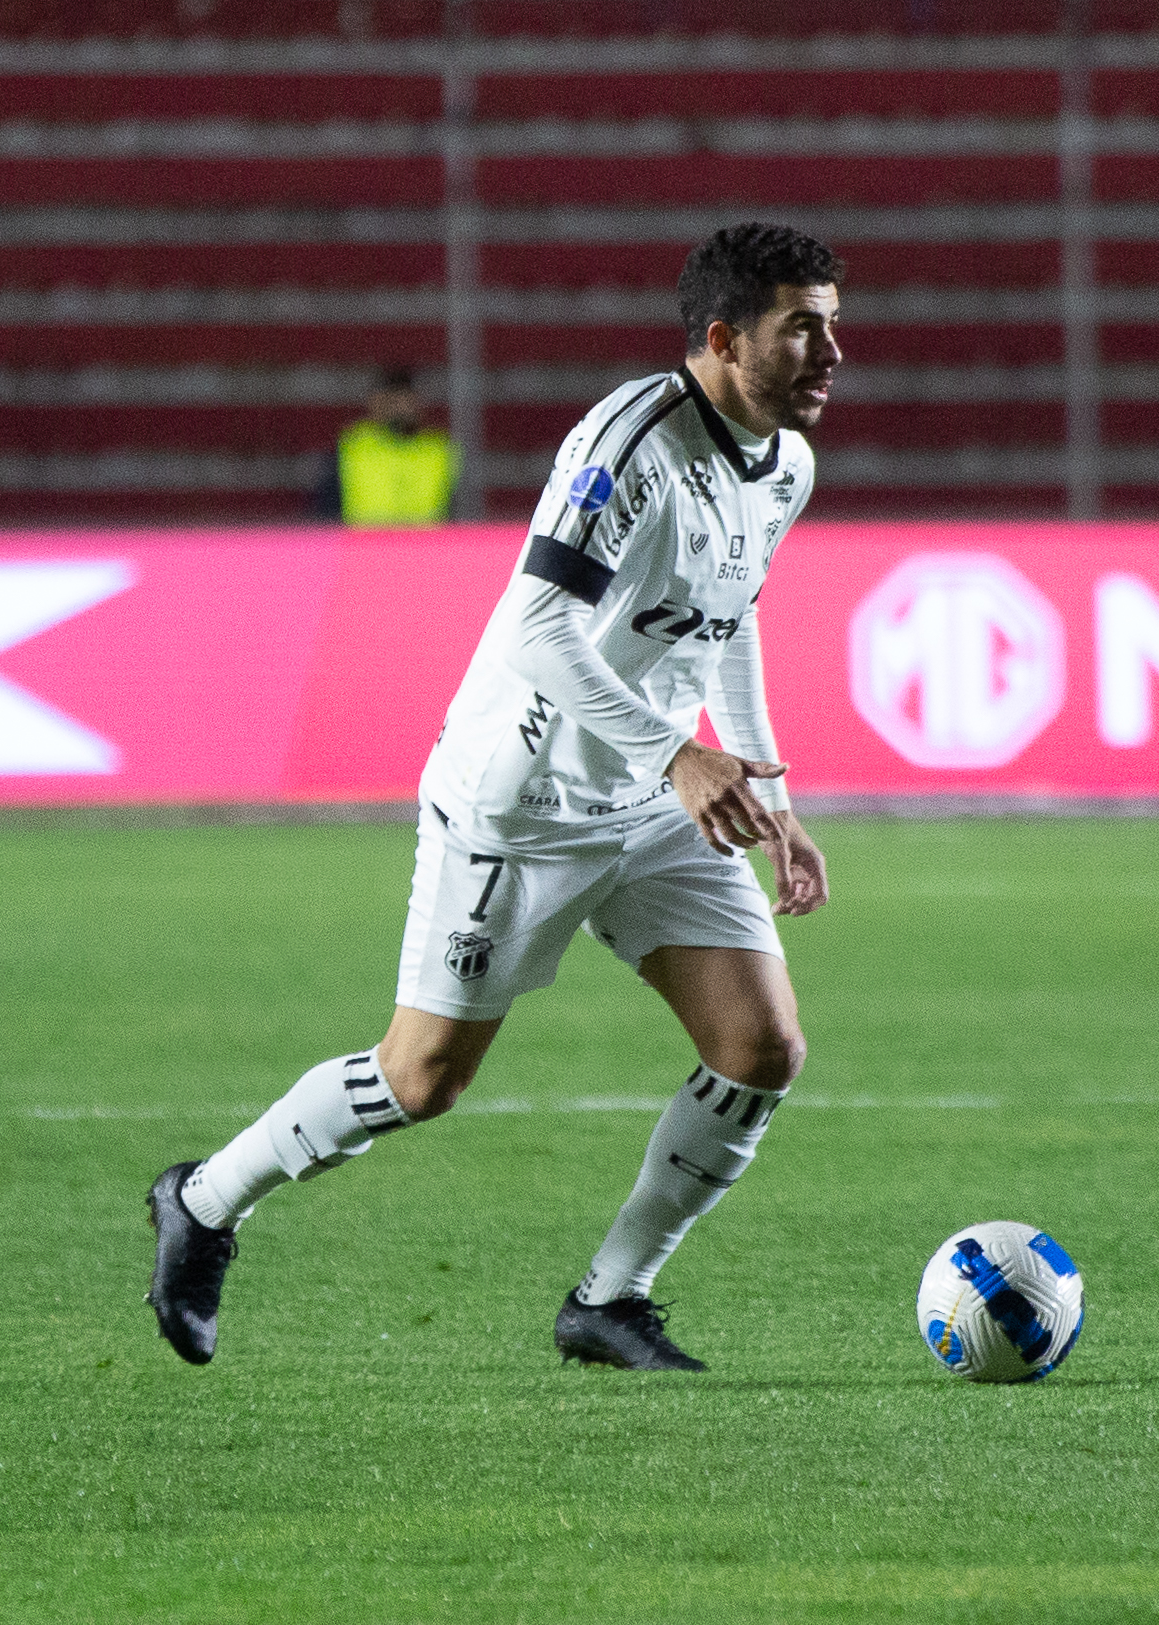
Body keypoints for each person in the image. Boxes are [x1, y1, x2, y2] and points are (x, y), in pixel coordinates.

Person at [148, 222, 845, 1372]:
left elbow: (729, 614)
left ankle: (610, 1297)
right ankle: (207, 1198)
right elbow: (536, 627)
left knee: (760, 1045)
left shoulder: (787, 462)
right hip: (521, 803)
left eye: (832, 324)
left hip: (656, 802)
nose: (828, 352)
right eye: (800, 328)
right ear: (723, 339)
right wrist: (680, 754)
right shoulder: (631, 444)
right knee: (422, 1078)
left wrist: (767, 786)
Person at [314, 366, 459, 526]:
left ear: (418, 403)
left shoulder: (439, 449)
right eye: (391, 401)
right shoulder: (353, 446)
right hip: (365, 547)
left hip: (425, 547)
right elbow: (325, 512)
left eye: (404, 400)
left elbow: (462, 511)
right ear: (375, 402)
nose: (398, 409)